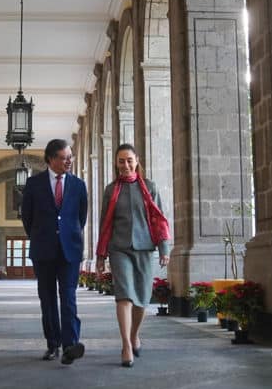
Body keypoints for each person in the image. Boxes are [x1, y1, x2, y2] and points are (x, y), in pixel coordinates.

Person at [96, 143, 171, 368]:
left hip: (145, 248)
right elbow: (105, 224)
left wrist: (164, 248)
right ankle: (126, 345)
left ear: (137, 160)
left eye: (129, 160)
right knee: (124, 296)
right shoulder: (111, 190)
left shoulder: (149, 187)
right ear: (116, 163)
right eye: (121, 161)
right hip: (119, 249)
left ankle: (134, 335)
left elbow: (159, 218)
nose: (126, 165)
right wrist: (101, 255)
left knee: (142, 299)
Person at [21, 139, 88, 365]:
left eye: (70, 157)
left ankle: (70, 345)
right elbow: (27, 218)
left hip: (70, 250)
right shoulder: (33, 184)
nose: (68, 161)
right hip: (43, 249)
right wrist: (42, 235)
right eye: (63, 157)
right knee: (47, 298)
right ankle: (53, 344)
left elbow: (81, 218)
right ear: (50, 159)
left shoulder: (79, 185)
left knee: (68, 297)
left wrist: (68, 235)